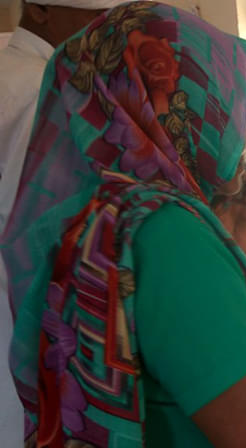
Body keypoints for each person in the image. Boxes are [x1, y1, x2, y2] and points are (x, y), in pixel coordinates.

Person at [0, 3, 246, 447]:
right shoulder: (167, 234)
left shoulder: (104, 219)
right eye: (224, 102)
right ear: (172, 105)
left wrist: (232, 246)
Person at [0, 0, 130, 444]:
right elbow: (37, 233)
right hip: (21, 315)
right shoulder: (44, 87)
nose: (110, 32)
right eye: (96, 16)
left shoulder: (10, 65)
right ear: (37, 9)